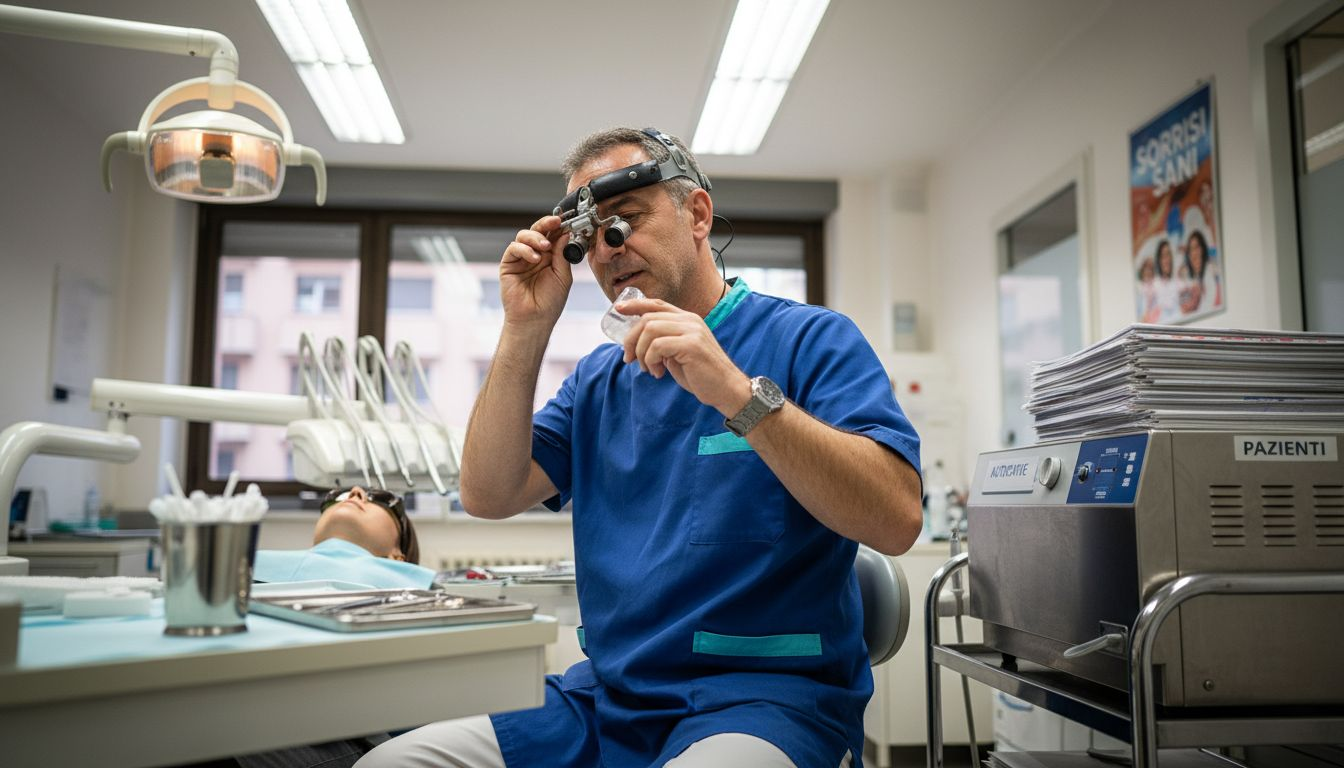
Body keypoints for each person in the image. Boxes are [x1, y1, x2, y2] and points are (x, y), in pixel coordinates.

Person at [359, 128, 923, 768]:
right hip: (607, 701)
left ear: (699, 215)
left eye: (626, 220)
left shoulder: (810, 340)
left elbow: (897, 519)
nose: (607, 250)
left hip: (767, 702)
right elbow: (486, 494)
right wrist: (523, 326)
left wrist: (740, 396)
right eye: (590, 235)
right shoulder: (598, 381)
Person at [253, 486, 435, 589]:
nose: (355, 492)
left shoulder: (412, 592)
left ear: (397, 557)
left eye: (379, 500)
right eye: (337, 497)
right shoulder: (244, 566)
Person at [1179, 229, 1221, 316]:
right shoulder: (1188, 281)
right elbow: (1184, 310)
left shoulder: (1212, 270)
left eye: (1197, 247)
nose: (1194, 253)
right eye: (1191, 250)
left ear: (1203, 249)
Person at [1152, 239, 1181, 323]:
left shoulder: (1177, 282)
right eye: (1163, 256)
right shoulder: (1154, 286)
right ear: (1159, 260)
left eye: (1168, 254)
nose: (1167, 260)